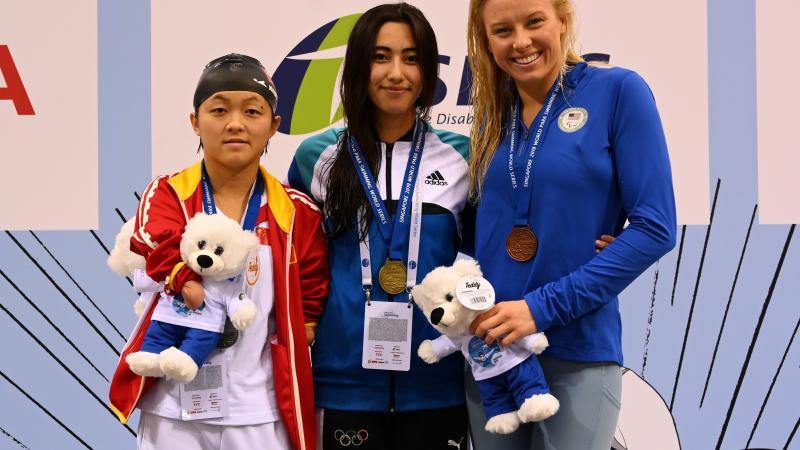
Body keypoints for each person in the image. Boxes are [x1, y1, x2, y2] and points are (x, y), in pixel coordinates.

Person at [465, 0, 677, 449]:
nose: (520, 41)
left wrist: (540, 308)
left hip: (575, 349)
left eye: (534, 22)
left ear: (563, 20)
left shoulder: (618, 91)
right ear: (486, 40)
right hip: (492, 352)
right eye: (503, 30)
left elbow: (656, 227)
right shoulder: (489, 115)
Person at [108, 53, 330, 450]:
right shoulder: (169, 193)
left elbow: (313, 289)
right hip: (173, 407)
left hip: (260, 411)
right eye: (219, 109)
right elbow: (153, 245)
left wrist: (305, 327)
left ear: (274, 126)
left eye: (252, 111)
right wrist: (185, 280)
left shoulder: (298, 212)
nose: (235, 124)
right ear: (195, 121)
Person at [288, 4, 472, 449]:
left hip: (437, 383)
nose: (396, 73)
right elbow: (295, 265)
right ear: (356, 66)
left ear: (429, 70)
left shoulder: (462, 156)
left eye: (411, 58)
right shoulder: (317, 157)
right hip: (344, 385)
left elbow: (490, 256)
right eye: (380, 56)